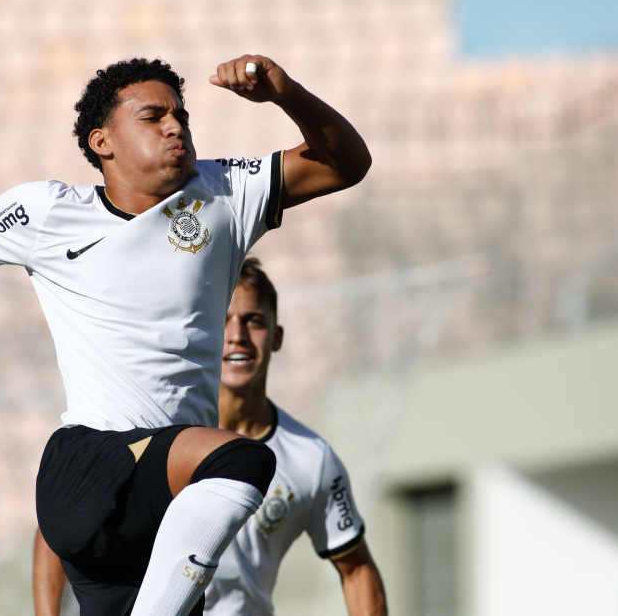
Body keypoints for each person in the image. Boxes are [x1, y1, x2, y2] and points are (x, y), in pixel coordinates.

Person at [0, 54, 371, 616]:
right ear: (102, 141)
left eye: (181, 114)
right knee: (243, 460)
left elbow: (347, 163)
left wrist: (286, 93)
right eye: (153, 115)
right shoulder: (50, 213)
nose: (175, 125)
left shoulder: (225, 193)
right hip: (89, 467)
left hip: (165, 508)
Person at [33, 258, 388, 616]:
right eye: (224, 320)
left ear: (277, 336)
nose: (238, 335)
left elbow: (357, 568)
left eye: (254, 321)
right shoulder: (153, 428)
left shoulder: (311, 458)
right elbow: (65, 516)